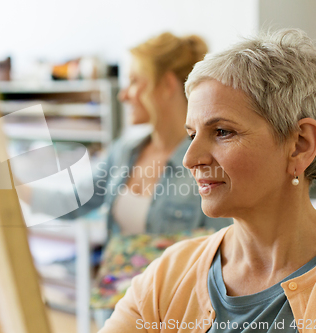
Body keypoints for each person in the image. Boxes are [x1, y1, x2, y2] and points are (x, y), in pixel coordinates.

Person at [99, 28, 316, 333]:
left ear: (300, 145)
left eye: (222, 132)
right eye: (192, 135)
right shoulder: (170, 273)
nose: (190, 159)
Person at [25, 32, 232, 327]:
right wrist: (11, 190)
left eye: (134, 81)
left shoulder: (207, 161)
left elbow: (225, 254)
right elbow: (73, 201)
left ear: (167, 86)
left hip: (174, 316)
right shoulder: (124, 152)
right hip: (116, 310)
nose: (123, 94)